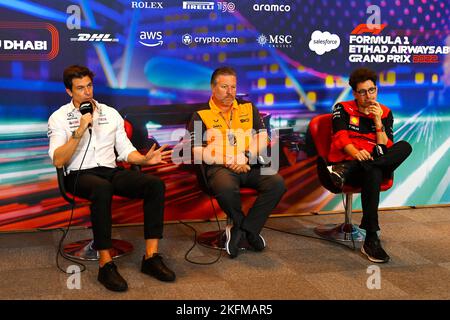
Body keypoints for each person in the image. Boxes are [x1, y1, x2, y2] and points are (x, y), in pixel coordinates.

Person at [48, 65, 176, 292]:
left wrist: (145, 160)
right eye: (80, 88)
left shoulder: (110, 113)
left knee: (154, 185)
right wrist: (79, 130)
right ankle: (106, 264)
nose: (87, 92)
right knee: (102, 188)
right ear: (69, 92)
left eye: (89, 86)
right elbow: (58, 160)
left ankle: (151, 257)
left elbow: (126, 150)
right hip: (78, 175)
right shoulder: (58, 118)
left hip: (109, 170)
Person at [187, 66, 286, 259]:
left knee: (277, 183)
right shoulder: (200, 114)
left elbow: (262, 137)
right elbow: (197, 150)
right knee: (225, 187)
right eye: (224, 87)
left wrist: (246, 156)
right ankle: (246, 230)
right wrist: (228, 160)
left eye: (233, 87)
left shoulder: (248, 108)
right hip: (220, 167)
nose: (229, 92)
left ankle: (246, 230)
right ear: (213, 88)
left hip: (250, 164)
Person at [318, 67, 412, 263]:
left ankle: (343, 172)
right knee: (374, 172)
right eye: (362, 92)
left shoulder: (385, 112)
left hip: (363, 165)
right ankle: (371, 238)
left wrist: (378, 121)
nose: (368, 96)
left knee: (404, 147)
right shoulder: (342, 108)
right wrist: (355, 153)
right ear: (355, 93)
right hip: (350, 160)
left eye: (372, 90)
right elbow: (341, 138)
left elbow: (384, 146)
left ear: (376, 90)